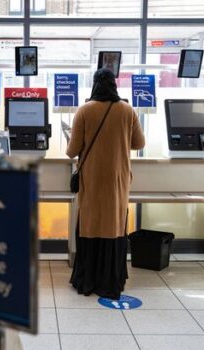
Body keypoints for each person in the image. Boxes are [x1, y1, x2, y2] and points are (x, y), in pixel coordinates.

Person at [66, 68, 145, 300]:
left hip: (92, 179)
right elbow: (139, 143)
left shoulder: (84, 110)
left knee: (91, 224)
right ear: (114, 85)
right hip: (118, 180)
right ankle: (112, 280)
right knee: (114, 224)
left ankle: (87, 279)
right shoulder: (127, 110)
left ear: (94, 85)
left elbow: (72, 151)